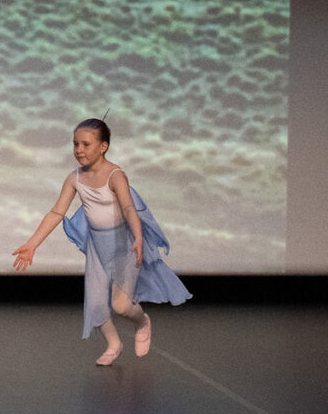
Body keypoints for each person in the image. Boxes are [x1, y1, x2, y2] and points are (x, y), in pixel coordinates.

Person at [13, 117, 193, 365]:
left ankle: (142, 322)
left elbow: (129, 208)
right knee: (96, 305)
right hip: (97, 247)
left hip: (124, 246)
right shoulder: (74, 178)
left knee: (121, 306)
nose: (79, 150)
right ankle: (114, 344)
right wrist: (33, 244)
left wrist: (138, 237)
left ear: (103, 147)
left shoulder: (116, 175)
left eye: (86, 144)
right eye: (75, 144)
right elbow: (56, 212)